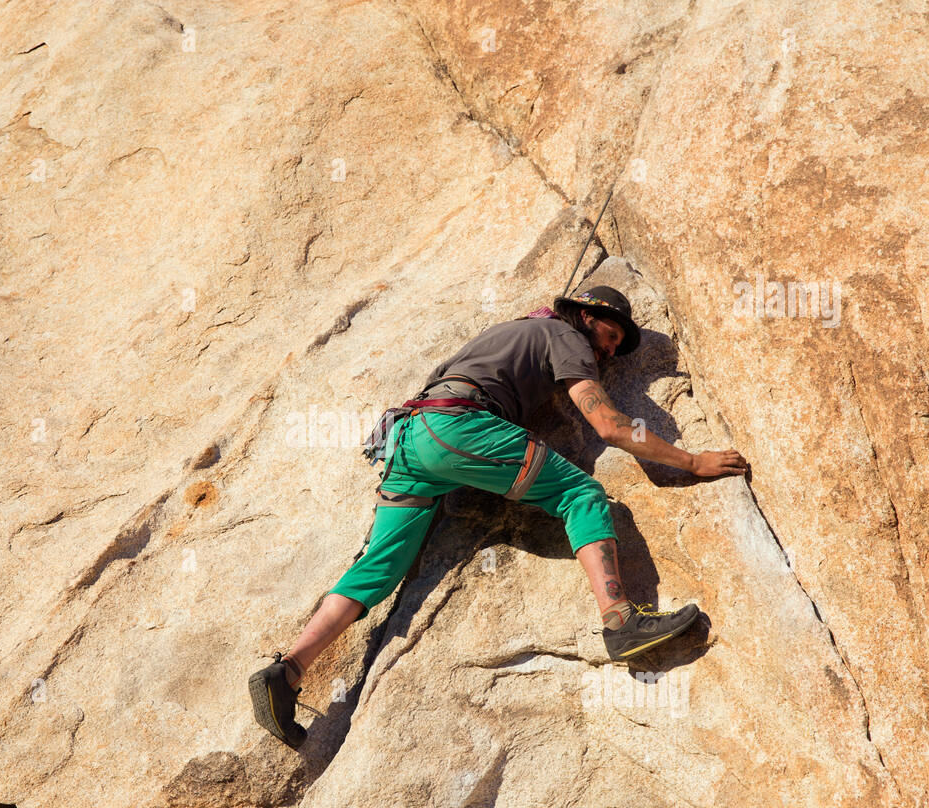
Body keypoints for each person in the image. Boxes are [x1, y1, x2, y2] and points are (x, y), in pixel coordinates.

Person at [248, 286, 748, 748]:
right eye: (611, 336)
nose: (611, 351)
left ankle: (287, 672)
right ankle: (622, 622)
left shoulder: (508, 333)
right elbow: (608, 424)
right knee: (581, 494)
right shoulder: (565, 334)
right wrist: (692, 462)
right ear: (585, 315)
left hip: (409, 439)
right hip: (460, 429)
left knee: (380, 567)